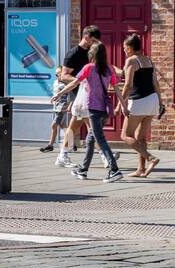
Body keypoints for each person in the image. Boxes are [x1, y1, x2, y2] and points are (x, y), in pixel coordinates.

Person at [51, 40, 123, 183]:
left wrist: (59, 94)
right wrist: (123, 106)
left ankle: (114, 170)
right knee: (90, 141)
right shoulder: (109, 69)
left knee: (100, 139)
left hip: (93, 109)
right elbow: (116, 89)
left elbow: (74, 82)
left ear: (92, 54)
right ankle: (83, 170)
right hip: (104, 110)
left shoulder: (89, 67)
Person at [53, 26, 101, 167]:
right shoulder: (73, 54)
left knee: (78, 126)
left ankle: (63, 154)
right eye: (93, 40)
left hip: (89, 93)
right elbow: (64, 75)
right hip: (78, 94)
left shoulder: (93, 52)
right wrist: (81, 80)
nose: (95, 43)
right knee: (90, 124)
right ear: (86, 37)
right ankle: (104, 153)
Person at [118, 33, 164, 178]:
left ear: (130, 48)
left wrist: (120, 104)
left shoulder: (131, 60)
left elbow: (128, 85)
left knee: (125, 135)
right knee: (140, 137)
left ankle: (151, 158)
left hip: (138, 101)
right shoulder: (148, 60)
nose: (124, 50)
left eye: (125, 48)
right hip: (152, 100)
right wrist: (160, 102)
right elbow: (155, 83)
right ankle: (141, 169)